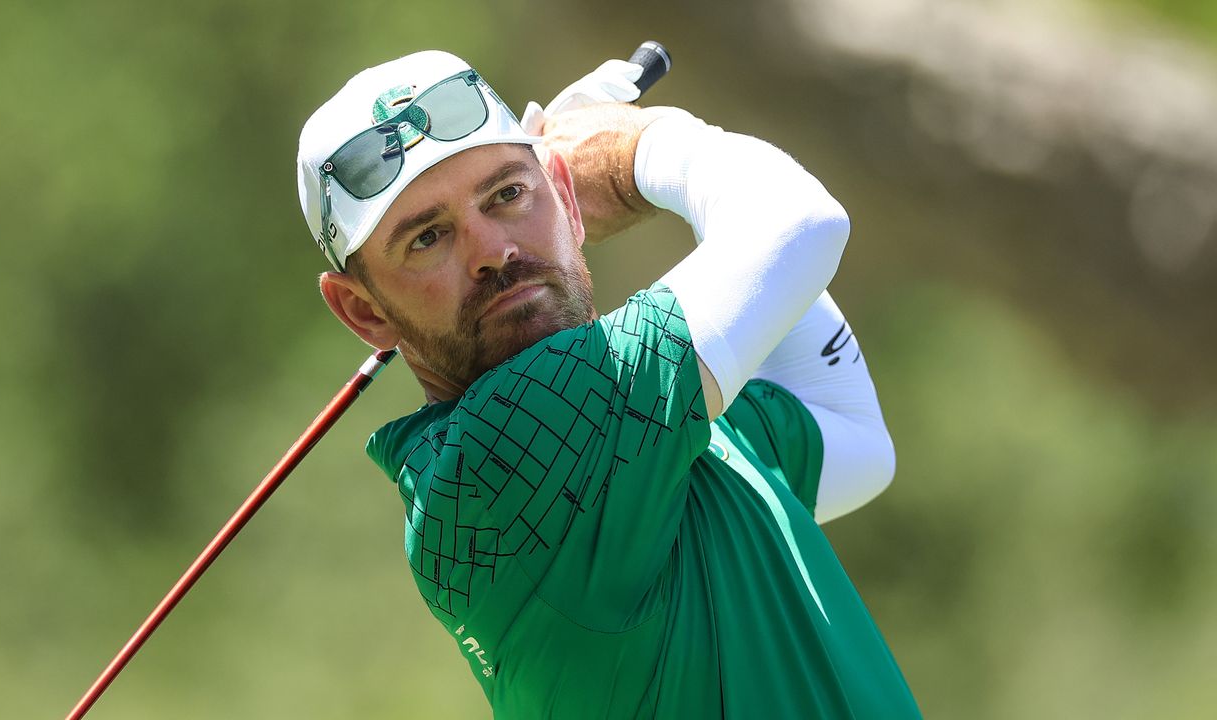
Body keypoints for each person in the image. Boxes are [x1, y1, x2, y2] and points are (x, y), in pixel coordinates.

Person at [296, 50, 921, 719]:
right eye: (427, 237)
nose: (492, 251)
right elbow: (799, 224)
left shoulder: (652, 430)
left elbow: (852, 438)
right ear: (363, 310)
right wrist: (644, 149)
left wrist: (658, 174)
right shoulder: (498, 461)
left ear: (565, 195)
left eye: (508, 195)